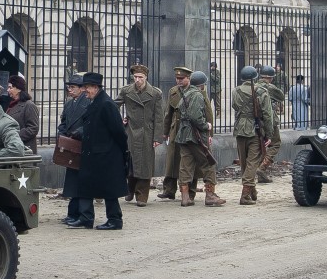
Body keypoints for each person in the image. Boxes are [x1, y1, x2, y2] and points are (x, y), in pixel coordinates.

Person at [69, 72, 129, 230]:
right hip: (92, 153)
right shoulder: (95, 102)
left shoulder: (106, 104)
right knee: (85, 184)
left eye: (87, 87)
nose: (84, 90)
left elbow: (119, 132)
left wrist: (121, 152)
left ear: (95, 87)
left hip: (106, 155)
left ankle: (115, 220)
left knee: (109, 189)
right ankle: (86, 218)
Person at [167, 64, 221, 206]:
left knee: (185, 165)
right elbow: (195, 116)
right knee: (208, 163)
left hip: (183, 134)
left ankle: (185, 198)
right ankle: (210, 195)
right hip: (195, 135)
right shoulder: (197, 95)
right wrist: (206, 126)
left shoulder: (185, 93)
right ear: (202, 85)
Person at [231, 65, 277, 205]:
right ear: (255, 77)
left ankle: (251, 190)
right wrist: (269, 134)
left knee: (244, 162)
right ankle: (245, 195)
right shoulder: (261, 91)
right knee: (252, 163)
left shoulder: (235, 91)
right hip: (255, 130)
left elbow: (234, 106)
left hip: (240, 129)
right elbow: (268, 115)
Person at [119, 63, 164, 206]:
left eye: (140, 77)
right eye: (135, 77)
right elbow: (114, 105)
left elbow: (159, 117)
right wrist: (120, 120)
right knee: (131, 161)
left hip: (147, 132)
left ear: (146, 77)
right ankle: (130, 188)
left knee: (145, 163)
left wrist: (157, 137)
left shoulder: (155, 93)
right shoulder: (126, 91)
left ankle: (142, 195)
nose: (137, 80)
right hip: (131, 131)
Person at [57, 76, 92, 215]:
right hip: (70, 146)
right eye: (69, 87)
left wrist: (79, 132)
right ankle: (72, 212)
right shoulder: (69, 104)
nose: (70, 90)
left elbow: (91, 123)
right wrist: (61, 134)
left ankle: (81, 213)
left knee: (81, 180)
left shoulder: (88, 103)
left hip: (83, 145)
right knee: (72, 180)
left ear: (82, 89)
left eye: (73, 87)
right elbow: (63, 123)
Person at [255, 65, 287, 182]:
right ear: (271, 78)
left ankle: (259, 174)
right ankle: (262, 168)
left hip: (255, 121)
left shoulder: (254, 86)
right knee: (275, 143)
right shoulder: (269, 87)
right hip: (269, 120)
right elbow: (281, 96)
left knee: (260, 146)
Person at [5, 75, 39, 152]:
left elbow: (33, 128)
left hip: (24, 148)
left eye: (10, 88)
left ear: (18, 89)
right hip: (12, 146)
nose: (7, 90)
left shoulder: (29, 105)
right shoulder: (12, 105)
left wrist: (14, 136)